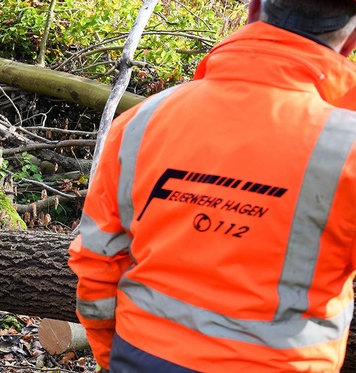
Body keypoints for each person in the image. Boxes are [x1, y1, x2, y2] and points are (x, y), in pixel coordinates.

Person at [68, 1, 356, 372]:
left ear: (253, 10)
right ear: (350, 42)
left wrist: (116, 358)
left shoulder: (143, 120)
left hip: (142, 355)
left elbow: (96, 264)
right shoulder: (348, 149)